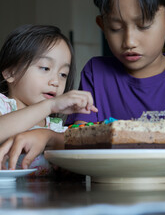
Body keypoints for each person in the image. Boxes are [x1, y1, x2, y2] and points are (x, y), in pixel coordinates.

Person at [66, 0, 165, 186]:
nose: (129, 41)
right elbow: (78, 140)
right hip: (114, 201)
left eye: (143, 26)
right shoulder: (97, 74)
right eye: (115, 28)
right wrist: (48, 136)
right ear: (102, 26)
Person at [0, 24, 97, 175]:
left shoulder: (54, 127)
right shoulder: (3, 105)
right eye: (45, 68)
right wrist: (49, 105)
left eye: (63, 74)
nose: (56, 82)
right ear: (10, 73)